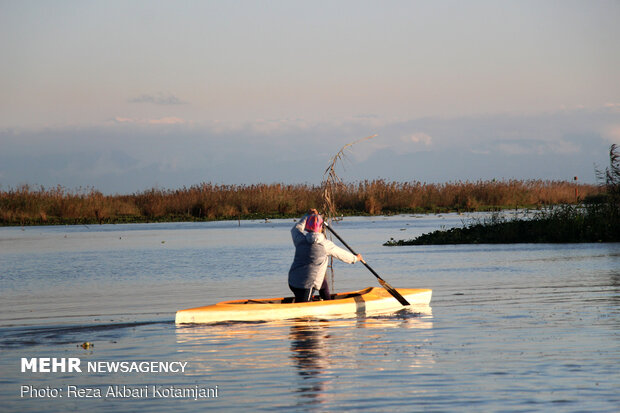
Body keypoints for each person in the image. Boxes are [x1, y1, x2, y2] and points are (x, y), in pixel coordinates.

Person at [288, 209, 363, 302]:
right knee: (303, 308)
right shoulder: (325, 244)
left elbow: (296, 228)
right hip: (306, 285)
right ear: (321, 227)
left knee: (322, 281)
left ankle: (328, 301)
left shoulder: (299, 239)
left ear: (307, 226)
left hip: (292, 281)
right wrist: (356, 258)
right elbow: (342, 255)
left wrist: (307, 215)